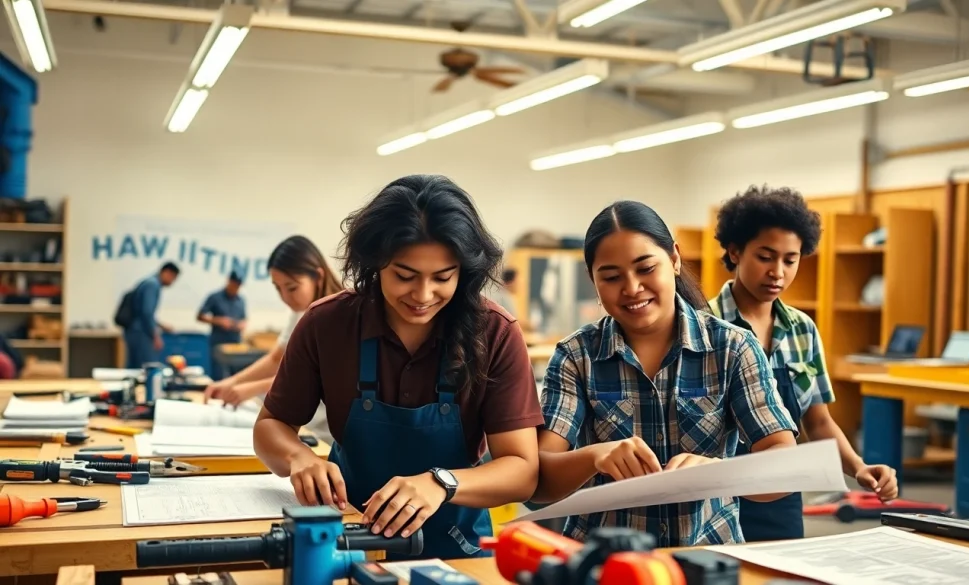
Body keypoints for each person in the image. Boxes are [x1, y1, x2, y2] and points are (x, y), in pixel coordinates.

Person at [253, 174, 543, 560]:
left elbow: (522, 470)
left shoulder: (494, 333)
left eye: (443, 278)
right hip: (345, 541)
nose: (423, 296)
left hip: (453, 547)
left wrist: (442, 483)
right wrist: (298, 457)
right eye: (404, 276)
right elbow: (270, 426)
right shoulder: (327, 324)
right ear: (375, 263)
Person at [531, 200, 798, 547]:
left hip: (706, 558)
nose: (631, 288)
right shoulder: (577, 356)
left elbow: (785, 467)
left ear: (674, 258)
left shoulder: (732, 347)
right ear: (592, 280)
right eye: (611, 277)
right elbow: (539, 480)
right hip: (606, 565)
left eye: (645, 268)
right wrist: (596, 457)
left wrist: (715, 474)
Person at [709, 185, 898, 542]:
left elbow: (818, 420)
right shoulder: (702, 324)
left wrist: (858, 468)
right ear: (734, 251)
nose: (777, 272)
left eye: (790, 260)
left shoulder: (802, 330)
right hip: (712, 501)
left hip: (782, 496)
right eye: (765, 257)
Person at [204, 236, 341, 443]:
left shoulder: (339, 315)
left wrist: (252, 388)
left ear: (318, 277)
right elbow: (276, 359)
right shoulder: (299, 313)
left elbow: (316, 377)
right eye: (278, 288)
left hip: (328, 437)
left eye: (292, 287)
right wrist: (231, 382)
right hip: (305, 428)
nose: (285, 297)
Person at [123, 262, 179, 368]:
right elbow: (147, 312)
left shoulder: (147, 282)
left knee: (135, 366)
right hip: (141, 332)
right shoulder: (152, 285)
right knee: (147, 367)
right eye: (173, 278)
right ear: (167, 273)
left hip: (135, 330)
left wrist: (161, 325)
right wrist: (155, 335)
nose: (172, 282)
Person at [197, 271, 247, 380]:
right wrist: (219, 321)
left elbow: (244, 319)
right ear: (229, 281)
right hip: (218, 342)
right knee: (218, 375)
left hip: (234, 344)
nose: (235, 288)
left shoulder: (241, 300)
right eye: (234, 284)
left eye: (238, 286)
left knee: (236, 376)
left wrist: (242, 325)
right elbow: (200, 316)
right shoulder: (214, 297)